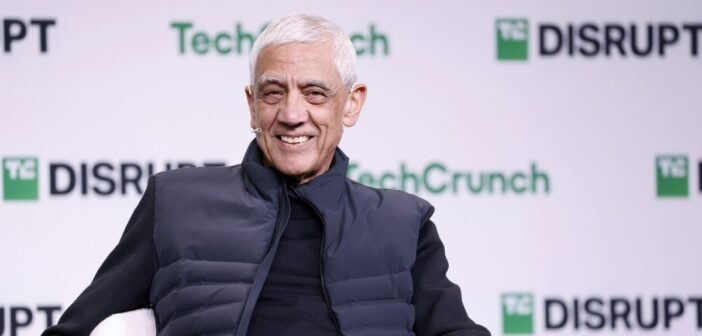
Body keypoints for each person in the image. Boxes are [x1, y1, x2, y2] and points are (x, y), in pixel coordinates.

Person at [42, 13, 490, 336]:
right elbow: (81, 326)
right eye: (274, 93)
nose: (293, 114)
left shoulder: (403, 221)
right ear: (252, 105)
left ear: (351, 104)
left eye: (315, 93)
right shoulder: (176, 202)